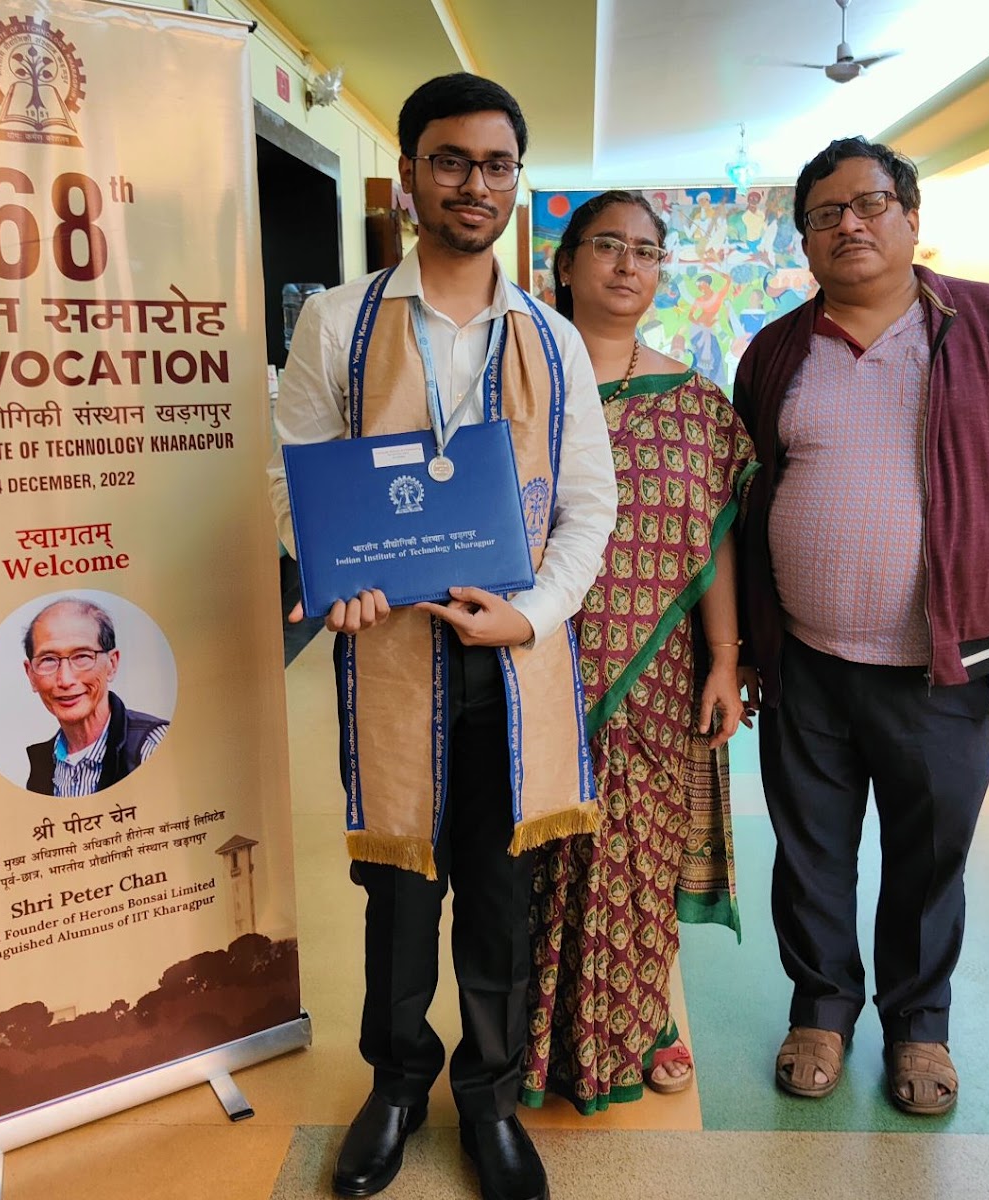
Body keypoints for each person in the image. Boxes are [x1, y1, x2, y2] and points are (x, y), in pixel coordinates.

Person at [266, 73, 616, 1200]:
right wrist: (339, 574)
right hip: (391, 654)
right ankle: (397, 1083)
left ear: (516, 181)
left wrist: (534, 613)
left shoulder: (553, 340)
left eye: (496, 164)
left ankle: (489, 1099)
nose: (475, 183)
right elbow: (291, 480)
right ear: (409, 174)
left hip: (512, 661)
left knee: (503, 897)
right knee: (400, 892)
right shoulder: (338, 322)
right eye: (451, 160)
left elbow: (589, 505)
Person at [735, 137, 989, 1116]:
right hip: (804, 660)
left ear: (911, 217)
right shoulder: (776, 351)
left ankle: (918, 1025)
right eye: (823, 214)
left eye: (869, 204)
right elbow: (743, 502)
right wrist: (748, 643)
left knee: (929, 855)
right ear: (805, 239)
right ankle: (820, 1010)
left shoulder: (988, 324)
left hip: (941, 666)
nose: (847, 224)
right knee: (809, 851)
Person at [522, 191, 755, 1113]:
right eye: (607, 245)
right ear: (566, 262)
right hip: (530, 660)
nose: (628, 265)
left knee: (637, 856)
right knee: (534, 855)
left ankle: (638, 1019)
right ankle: (526, 1034)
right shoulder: (520, 385)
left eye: (647, 251)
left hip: (654, 677)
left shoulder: (696, 405)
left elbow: (715, 541)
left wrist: (725, 659)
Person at [21, 598, 167, 797]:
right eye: (48, 660)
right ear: (30, 675)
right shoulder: (43, 766)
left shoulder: (151, 747)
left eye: (82, 656)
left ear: (112, 664)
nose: (65, 680)